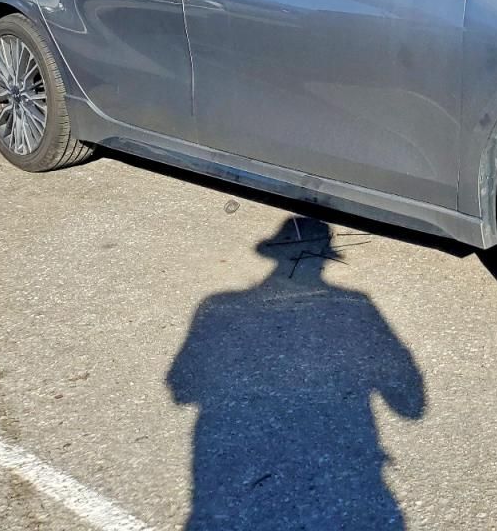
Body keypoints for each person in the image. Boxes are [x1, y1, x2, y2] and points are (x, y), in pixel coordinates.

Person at [167, 215, 425, 530]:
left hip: (231, 484)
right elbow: (410, 406)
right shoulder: (356, 305)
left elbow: (181, 388)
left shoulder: (217, 307)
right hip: (344, 482)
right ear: (324, 258)